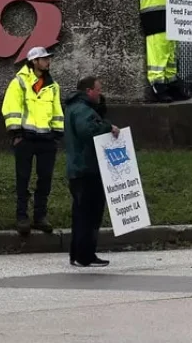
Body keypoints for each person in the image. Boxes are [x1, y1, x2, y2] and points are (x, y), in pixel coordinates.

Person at [1, 46, 64, 236]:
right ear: (34, 62)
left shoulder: (53, 85)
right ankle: (22, 217)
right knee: (23, 179)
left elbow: (57, 110)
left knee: (45, 180)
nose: (48, 62)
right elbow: (10, 107)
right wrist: (16, 134)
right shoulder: (19, 82)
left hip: (46, 139)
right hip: (25, 139)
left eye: (48, 59)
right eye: (44, 59)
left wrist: (57, 133)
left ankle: (40, 217)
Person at [63, 76, 120, 268]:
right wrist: (107, 127)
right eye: (98, 90)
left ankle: (79, 254)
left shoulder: (79, 108)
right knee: (89, 214)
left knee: (82, 213)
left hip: (81, 168)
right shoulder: (81, 110)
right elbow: (87, 131)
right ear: (88, 91)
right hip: (86, 169)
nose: (100, 93)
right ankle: (84, 256)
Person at [136, 0, 189, 102]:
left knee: (171, 51)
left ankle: (171, 83)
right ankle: (158, 86)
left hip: (168, 13)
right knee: (158, 52)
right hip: (153, 15)